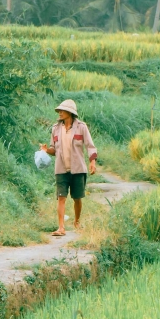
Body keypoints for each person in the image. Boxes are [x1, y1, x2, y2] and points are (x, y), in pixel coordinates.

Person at [40, 98, 97, 236]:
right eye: (59, 110)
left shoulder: (81, 127)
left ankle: (77, 221)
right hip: (61, 169)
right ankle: (61, 228)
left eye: (62, 111)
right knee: (61, 197)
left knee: (77, 198)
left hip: (78, 169)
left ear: (70, 112)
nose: (59, 113)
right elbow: (54, 149)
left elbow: (90, 146)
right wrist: (47, 150)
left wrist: (92, 161)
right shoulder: (55, 129)